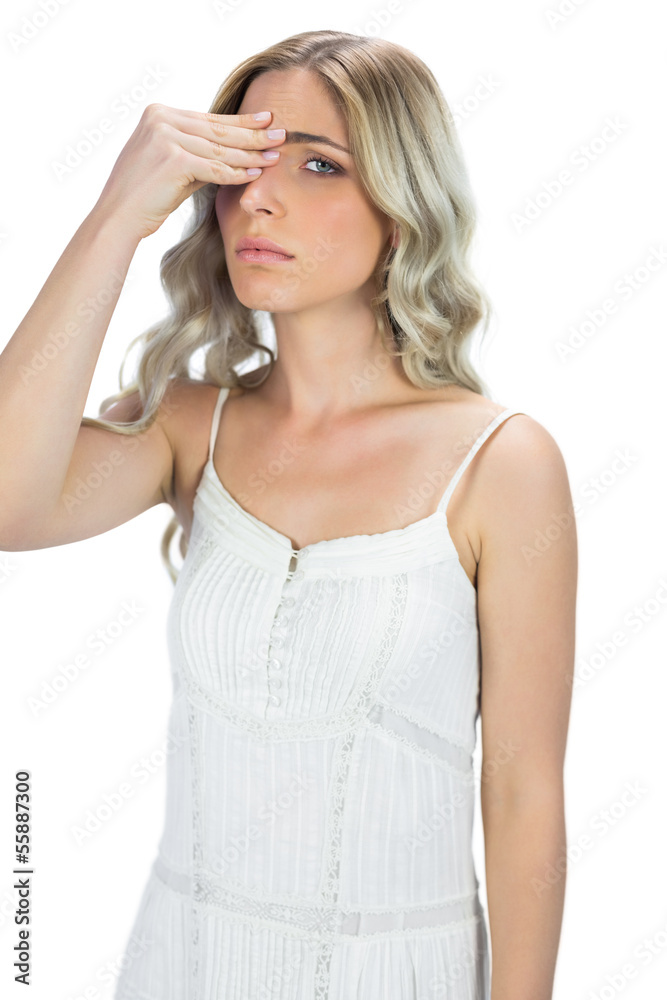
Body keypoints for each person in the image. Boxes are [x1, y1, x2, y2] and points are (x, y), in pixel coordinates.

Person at [0, 28, 577, 1000]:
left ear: (402, 205)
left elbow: (523, 792)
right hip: (182, 967)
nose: (258, 199)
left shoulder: (499, 462)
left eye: (317, 164)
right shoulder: (190, 427)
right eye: (241, 164)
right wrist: (113, 218)